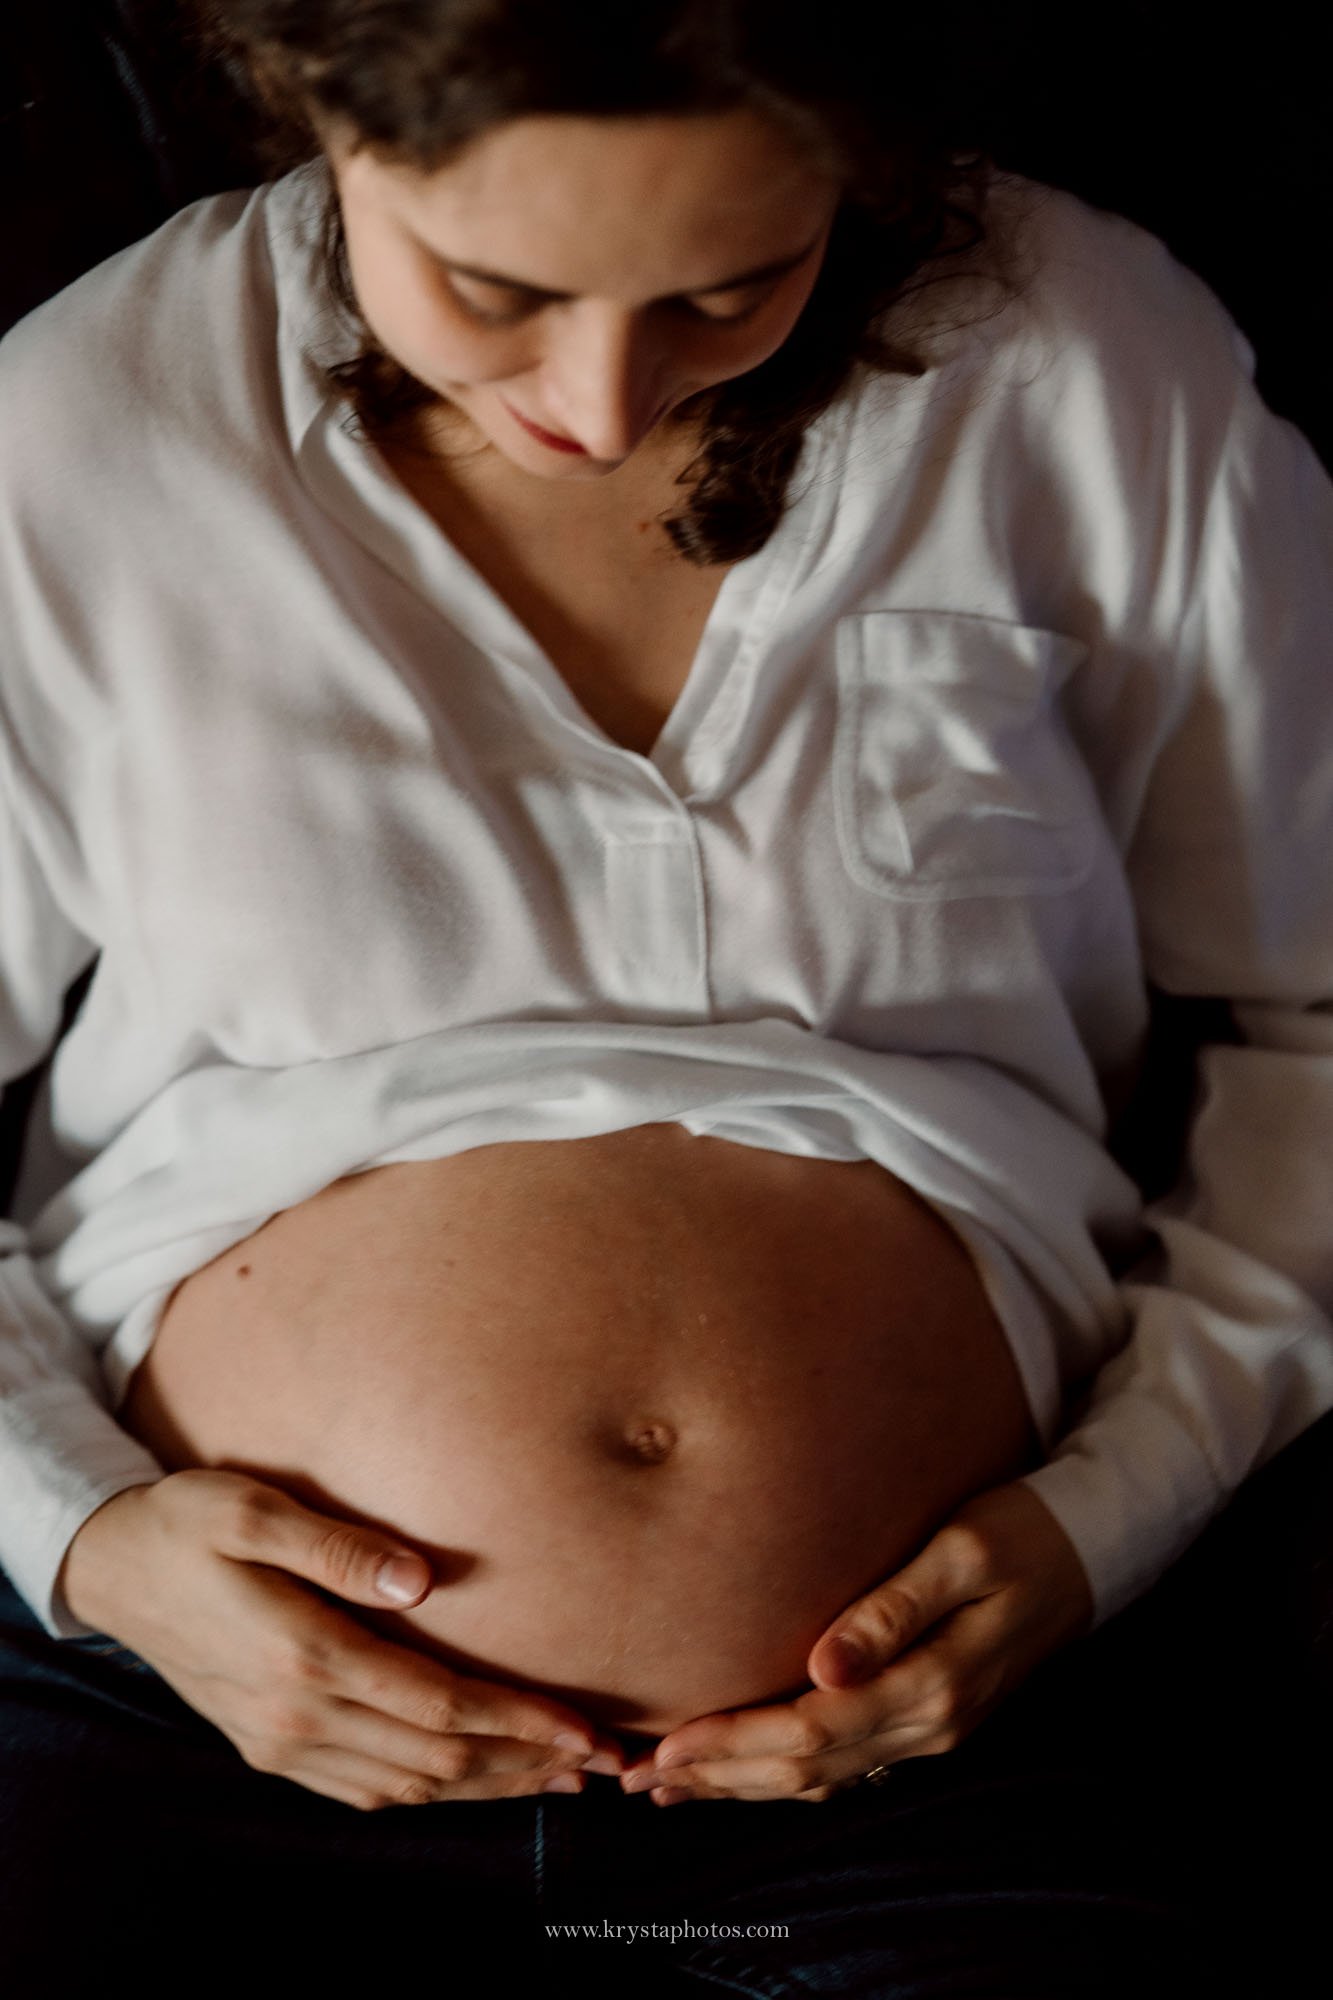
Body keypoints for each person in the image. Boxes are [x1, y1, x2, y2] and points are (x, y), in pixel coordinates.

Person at [1, 0, 1330, 1988]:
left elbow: (1314, 1028)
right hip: (181, 1728)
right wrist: (84, 1538)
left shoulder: (1090, 367)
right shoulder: (85, 429)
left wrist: (1104, 1521)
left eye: (732, 288)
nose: (606, 402)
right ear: (322, 112)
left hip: (926, 1769)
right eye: (490, 287)